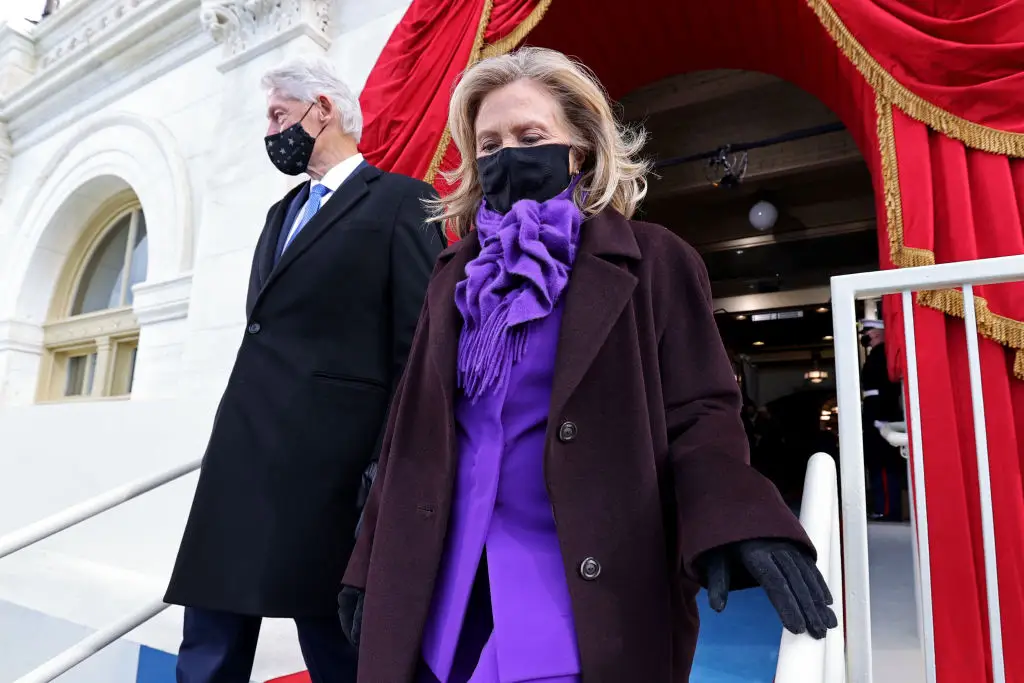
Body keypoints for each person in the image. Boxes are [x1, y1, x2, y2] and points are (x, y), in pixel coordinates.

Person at [338, 47, 836, 682]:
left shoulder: (654, 259)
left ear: (580, 148)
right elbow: (410, 435)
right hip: (444, 592)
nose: (506, 154)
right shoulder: (454, 276)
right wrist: (368, 563)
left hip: (579, 595)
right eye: (488, 144)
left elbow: (702, 414)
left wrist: (740, 516)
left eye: (530, 135)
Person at [164, 56, 445, 683]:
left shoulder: (402, 200)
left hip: (334, 468)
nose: (271, 133)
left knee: (337, 645)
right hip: (243, 455)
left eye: (279, 115)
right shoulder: (278, 214)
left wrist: (391, 456)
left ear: (323, 108)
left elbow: (418, 346)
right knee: (209, 638)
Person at [860, 318, 905, 521]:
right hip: (875, 411)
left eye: (868, 331)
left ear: (877, 333)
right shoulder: (875, 355)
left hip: (881, 412)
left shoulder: (882, 354)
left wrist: (882, 418)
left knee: (884, 463)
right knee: (877, 463)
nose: (865, 335)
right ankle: (883, 507)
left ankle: (887, 509)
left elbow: (887, 388)